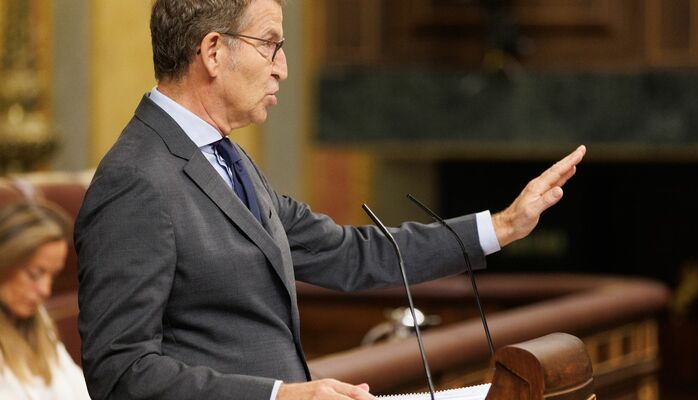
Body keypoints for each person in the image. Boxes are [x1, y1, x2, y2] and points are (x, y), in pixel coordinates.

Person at [74, 0, 587, 399]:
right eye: (270, 45)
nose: (282, 68)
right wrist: (279, 395)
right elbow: (120, 372)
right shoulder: (134, 180)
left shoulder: (226, 157)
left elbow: (349, 253)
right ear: (213, 51)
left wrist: (502, 226)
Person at [0, 201, 91, 400]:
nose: (45, 290)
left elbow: (79, 390)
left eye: (53, 276)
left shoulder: (38, 319)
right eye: (34, 274)